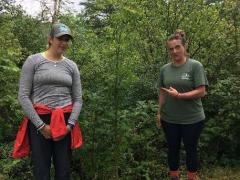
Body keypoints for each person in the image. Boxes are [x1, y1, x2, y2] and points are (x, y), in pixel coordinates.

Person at [17, 23, 83, 180]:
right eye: (60, 38)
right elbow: (23, 96)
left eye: (67, 39)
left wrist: (70, 126)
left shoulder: (71, 66)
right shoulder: (33, 61)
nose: (64, 43)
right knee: (41, 171)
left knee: (64, 171)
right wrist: (40, 126)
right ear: (50, 39)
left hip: (65, 122)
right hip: (40, 120)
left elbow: (78, 99)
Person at [157, 30, 208, 180]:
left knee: (191, 149)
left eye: (177, 47)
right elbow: (162, 92)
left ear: (184, 47)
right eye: (171, 49)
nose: (174, 51)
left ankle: (191, 177)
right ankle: (174, 177)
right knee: (172, 149)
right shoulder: (164, 69)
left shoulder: (195, 66)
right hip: (169, 119)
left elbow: (201, 91)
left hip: (193, 119)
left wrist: (179, 96)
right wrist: (159, 113)